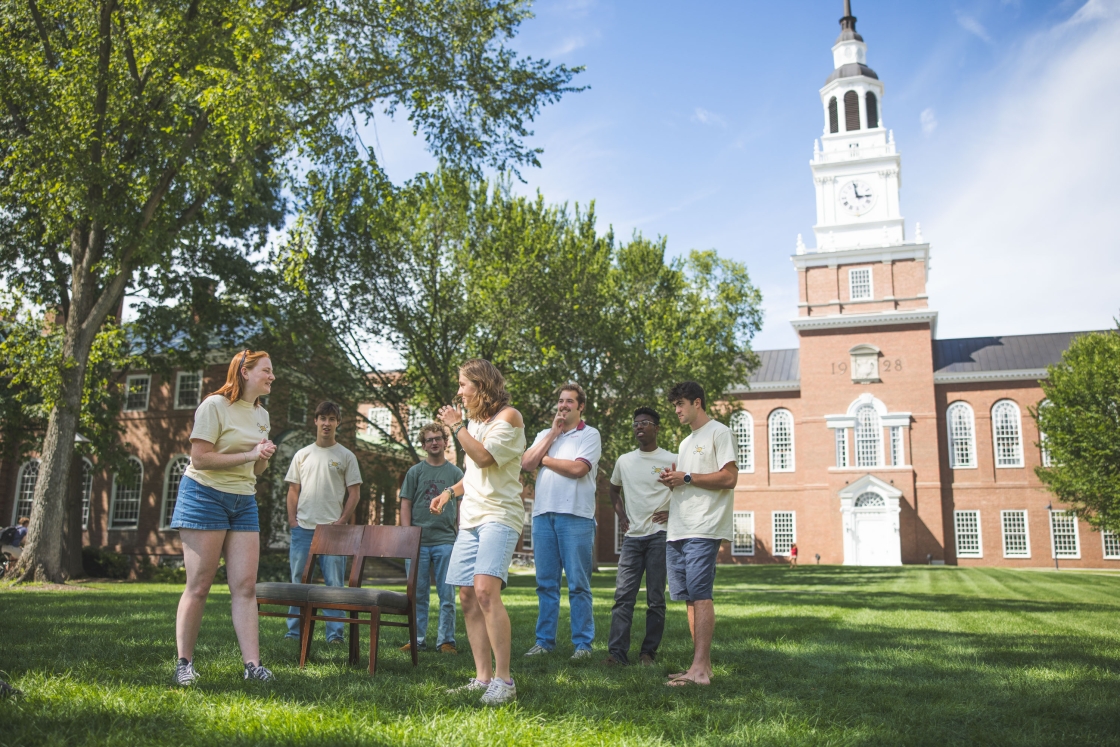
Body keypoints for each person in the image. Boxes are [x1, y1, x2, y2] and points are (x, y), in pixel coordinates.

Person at [171, 349, 277, 686]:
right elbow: (200, 459)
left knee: (245, 586)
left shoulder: (263, 415)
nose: (272, 376)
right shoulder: (214, 406)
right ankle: (184, 663)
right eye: (267, 370)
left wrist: (263, 456)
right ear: (245, 372)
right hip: (204, 495)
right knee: (200, 585)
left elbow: (256, 469)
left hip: (244, 498)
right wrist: (250, 453)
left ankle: (252, 666)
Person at [430, 359, 526, 706]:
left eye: (463, 385)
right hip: (470, 518)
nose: (459, 392)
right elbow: (474, 475)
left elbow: (484, 458)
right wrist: (450, 493)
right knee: (467, 595)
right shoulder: (473, 423)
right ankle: (483, 678)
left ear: (481, 386)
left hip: (499, 516)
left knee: (486, 591)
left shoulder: (509, 418)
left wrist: (456, 428)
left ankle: (505, 680)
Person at [657, 381, 738, 687]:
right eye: (674, 405)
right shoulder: (686, 442)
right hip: (680, 526)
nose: (676, 411)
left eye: (680, 404)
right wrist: (674, 489)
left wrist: (686, 476)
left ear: (697, 403)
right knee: (689, 598)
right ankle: (698, 666)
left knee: (701, 595)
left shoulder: (719, 432)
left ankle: (700, 671)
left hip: (704, 527)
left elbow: (729, 478)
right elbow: (690, 482)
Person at [520, 382, 602, 659]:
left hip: (576, 517)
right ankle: (544, 642)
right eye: (561, 401)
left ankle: (583, 645)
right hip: (543, 516)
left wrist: (546, 460)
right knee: (546, 584)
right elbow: (526, 462)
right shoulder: (546, 434)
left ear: (581, 407)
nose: (564, 406)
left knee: (578, 583)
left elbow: (578, 469)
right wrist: (552, 435)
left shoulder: (590, 435)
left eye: (570, 401)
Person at [283, 401, 363, 644]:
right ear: (315, 421)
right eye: (322, 418)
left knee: (334, 584)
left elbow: (355, 493)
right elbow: (293, 491)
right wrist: (292, 521)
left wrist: (342, 521)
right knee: (298, 582)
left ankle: (335, 635)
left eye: (331, 419)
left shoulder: (346, 456)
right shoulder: (302, 454)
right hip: (303, 530)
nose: (326, 423)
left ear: (337, 423)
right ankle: (294, 632)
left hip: (332, 532)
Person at [604, 408, 675, 666]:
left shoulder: (673, 459)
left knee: (656, 599)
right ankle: (616, 655)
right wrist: (621, 514)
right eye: (635, 424)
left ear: (657, 428)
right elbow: (613, 490)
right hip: (633, 539)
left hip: (659, 537)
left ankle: (648, 654)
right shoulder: (624, 461)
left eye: (645, 423)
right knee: (623, 597)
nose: (639, 427)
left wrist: (672, 512)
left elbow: (688, 491)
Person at [399, 421, 464, 655]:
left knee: (447, 595)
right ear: (423, 445)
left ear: (446, 442)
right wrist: (408, 535)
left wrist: (460, 534)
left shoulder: (456, 473)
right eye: (429, 439)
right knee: (417, 595)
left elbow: (460, 507)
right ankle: (416, 639)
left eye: (438, 438)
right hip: (418, 543)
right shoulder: (415, 472)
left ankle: (446, 641)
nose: (434, 442)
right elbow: (405, 504)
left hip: (446, 541)